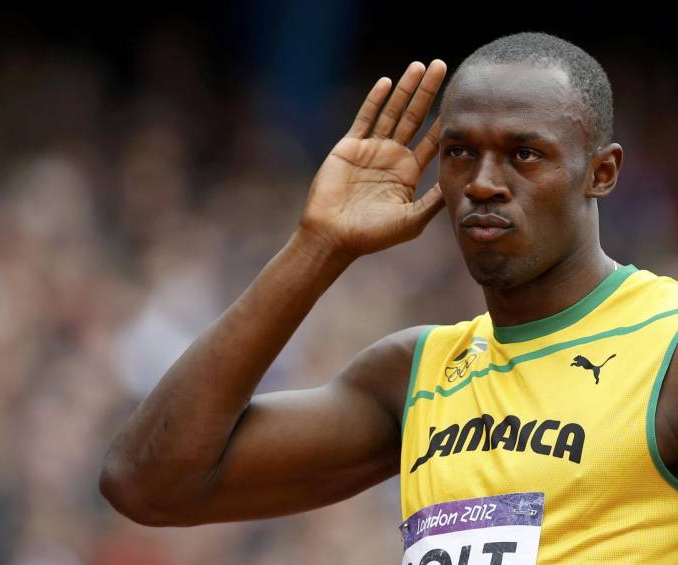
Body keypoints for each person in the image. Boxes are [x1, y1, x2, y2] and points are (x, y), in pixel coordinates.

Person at [99, 31, 678, 562]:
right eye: (460, 152)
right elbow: (147, 483)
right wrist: (318, 246)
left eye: (524, 154)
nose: (482, 182)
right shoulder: (414, 376)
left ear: (602, 172)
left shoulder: (664, 343)